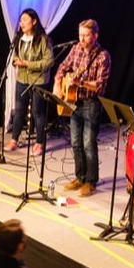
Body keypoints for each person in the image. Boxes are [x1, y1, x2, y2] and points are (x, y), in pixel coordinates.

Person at [54, 19, 111, 197]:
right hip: (74, 101)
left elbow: (100, 86)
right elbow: (63, 67)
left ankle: (90, 181)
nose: (82, 39)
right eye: (80, 35)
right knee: (75, 142)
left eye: (86, 35)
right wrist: (58, 84)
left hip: (91, 103)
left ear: (95, 35)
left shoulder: (103, 56)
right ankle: (80, 176)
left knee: (88, 143)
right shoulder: (75, 49)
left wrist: (81, 83)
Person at [6, 8, 54, 156]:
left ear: (34, 21)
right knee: (19, 110)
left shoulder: (43, 40)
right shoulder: (19, 38)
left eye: (25, 20)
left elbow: (49, 61)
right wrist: (15, 61)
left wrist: (27, 64)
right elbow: (15, 55)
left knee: (37, 112)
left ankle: (39, 142)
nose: (21, 23)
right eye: (20, 21)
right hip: (22, 79)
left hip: (38, 81)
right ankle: (14, 139)